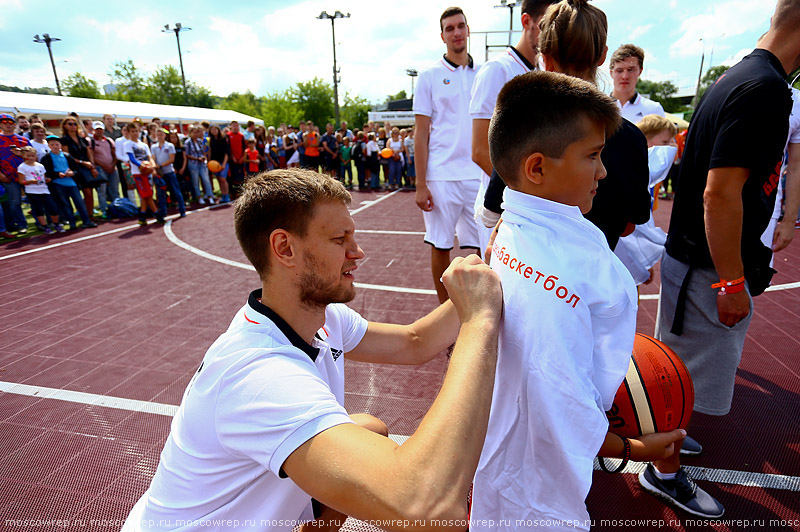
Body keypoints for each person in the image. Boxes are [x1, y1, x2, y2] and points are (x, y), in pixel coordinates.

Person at [121, 168, 503, 532]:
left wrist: (493, 269)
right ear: (284, 247)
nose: (358, 252)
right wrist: (478, 320)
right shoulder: (258, 375)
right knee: (393, 477)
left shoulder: (322, 317)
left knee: (369, 429)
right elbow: (425, 507)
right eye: (340, 240)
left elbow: (414, 342)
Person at [472, 68, 685, 532]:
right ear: (537, 168)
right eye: (592, 156)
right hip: (541, 489)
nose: (604, 171)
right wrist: (632, 450)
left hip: (502, 454)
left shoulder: (511, 224)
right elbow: (559, 403)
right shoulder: (571, 276)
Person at [652, 1, 800, 518]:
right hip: (707, 268)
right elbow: (720, 194)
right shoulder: (764, 88)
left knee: (677, 375)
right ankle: (662, 470)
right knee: (679, 382)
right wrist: (731, 283)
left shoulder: (745, 74)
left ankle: (664, 447)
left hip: (696, 260)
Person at [470, 0, 558, 249]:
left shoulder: (545, 72)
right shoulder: (496, 70)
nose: (550, 33)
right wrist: (524, 193)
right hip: (503, 207)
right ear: (526, 21)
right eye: (544, 25)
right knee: (500, 286)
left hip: (530, 205)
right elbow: (479, 151)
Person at [413, 6, 484, 304]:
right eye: (450, 28)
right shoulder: (429, 77)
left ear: (468, 30)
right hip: (441, 176)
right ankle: (446, 316)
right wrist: (420, 183)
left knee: (482, 248)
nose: (456, 32)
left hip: (478, 174)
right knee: (441, 246)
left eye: (460, 26)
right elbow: (420, 132)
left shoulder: (484, 73)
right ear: (442, 36)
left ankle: (480, 311)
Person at [613, 114, 678, 287]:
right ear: (645, 142)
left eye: (672, 142)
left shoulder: (652, 177)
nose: (672, 147)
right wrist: (639, 264)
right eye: (665, 143)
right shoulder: (634, 173)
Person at [761, 85, 800, 255]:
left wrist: (789, 221)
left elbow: (796, 166)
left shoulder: (797, 101)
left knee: (756, 277)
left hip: (767, 208)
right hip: (720, 201)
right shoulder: (738, 82)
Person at [41, 135, 96, 230]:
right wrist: (58, 174)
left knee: (79, 202)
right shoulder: (46, 158)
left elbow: (76, 169)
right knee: (65, 204)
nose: (55, 146)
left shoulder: (67, 156)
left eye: (57, 144)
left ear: (60, 145)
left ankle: (86, 221)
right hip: (58, 184)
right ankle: (72, 223)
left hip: (71, 183)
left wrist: (72, 173)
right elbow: (46, 172)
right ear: (49, 146)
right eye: (52, 144)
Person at [609, 44, 666, 123]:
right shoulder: (598, 108)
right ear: (611, 73)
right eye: (619, 70)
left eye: (630, 70)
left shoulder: (654, 109)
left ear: (640, 71)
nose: (625, 76)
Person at [17, 146, 64, 233]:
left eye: (32, 155)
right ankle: (45, 227)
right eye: (28, 156)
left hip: (44, 190)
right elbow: (21, 181)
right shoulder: (22, 167)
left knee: (53, 208)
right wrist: (30, 181)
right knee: (39, 210)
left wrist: (47, 180)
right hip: (32, 191)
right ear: (24, 156)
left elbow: (43, 177)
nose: (31, 158)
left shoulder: (40, 165)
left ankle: (56, 224)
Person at [60, 116, 99, 221]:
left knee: (89, 193)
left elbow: (89, 152)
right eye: (70, 124)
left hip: (86, 168)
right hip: (74, 169)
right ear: (65, 126)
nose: (73, 126)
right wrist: (83, 162)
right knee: (78, 195)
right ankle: (83, 216)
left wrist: (92, 166)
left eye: (74, 124)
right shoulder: (64, 140)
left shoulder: (82, 139)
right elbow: (67, 155)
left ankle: (90, 215)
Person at [0, 113, 32, 234]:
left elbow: (34, 158)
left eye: (11, 122)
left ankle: (43, 222)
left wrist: (22, 154)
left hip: (27, 175)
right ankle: (21, 224)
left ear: (15, 125)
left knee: (36, 199)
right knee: (15, 202)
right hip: (8, 177)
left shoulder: (23, 140)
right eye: (4, 122)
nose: (8, 125)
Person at [124, 123, 160, 225]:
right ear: (129, 132)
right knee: (147, 194)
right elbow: (132, 159)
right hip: (138, 173)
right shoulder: (128, 144)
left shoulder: (144, 145)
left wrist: (152, 166)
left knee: (145, 195)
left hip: (147, 172)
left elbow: (149, 158)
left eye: (136, 131)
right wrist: (143, 166)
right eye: (132, 131)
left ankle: (142, 216)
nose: (135, 133)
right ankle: (157, 214)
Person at [151, 128, 186, 219]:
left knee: (176, 191)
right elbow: (153, 158)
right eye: (158, 134)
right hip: (160, 173)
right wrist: (155, 167)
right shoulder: (154, 147)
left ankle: (182, 210)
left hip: (169, 171)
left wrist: (160, 165)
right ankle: (163, 212)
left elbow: (171, 159)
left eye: (161, 134)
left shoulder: (169, 146)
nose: (160, 136)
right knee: (160, 193)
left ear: (165, 135)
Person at [88, 121, 119, 212]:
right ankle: (104, 209)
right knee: (102, 191)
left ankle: (117, 208)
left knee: (115, 189)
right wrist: (104, 166)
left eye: (101, 129)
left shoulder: (109, 140)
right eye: (97, 129)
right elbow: (92, 156)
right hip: (100, 169)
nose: (99, 131)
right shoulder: (91, 141)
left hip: (112, 168)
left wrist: (112, 165)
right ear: (94, 130)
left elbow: (114, 154)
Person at [185, 127, 216, 205]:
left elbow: (204, 151)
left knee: (206, 180)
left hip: (202, 163)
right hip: (193, 164)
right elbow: (187, 154)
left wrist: (203, 157)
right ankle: (199, 197)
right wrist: (196, 158)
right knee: (196, 182)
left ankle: (210, 196)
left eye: (196, 132)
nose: (195, 134)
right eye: (194, 132)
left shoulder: (200, 141)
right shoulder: (187, 142)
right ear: (190, 133)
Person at [208, 125, 231, 203]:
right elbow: (210, 151)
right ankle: (223, 195)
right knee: (218, 178)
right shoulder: (210, 140)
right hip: (214, 162)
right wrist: (209, 161)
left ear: (218, 130)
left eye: (215, 129)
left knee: (223, 178)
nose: (214, 131)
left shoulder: (223, 139)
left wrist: (224, 164)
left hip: (223, 162)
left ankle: (227, 195)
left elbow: (226, 153)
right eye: (212, 130)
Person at [227, 121, 248, 197]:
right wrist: (232, 157)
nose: (235, 127)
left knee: (241, 176)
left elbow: (244, 147)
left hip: (241, 159)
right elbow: (228, 148)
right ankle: (232, 193)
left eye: (237, 126)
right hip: (232, 160)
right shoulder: (228, 135)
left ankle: (241, 191)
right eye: (234, 126)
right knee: (232, 176)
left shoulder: (241, 136)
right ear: (231, 126)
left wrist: (242, 157)